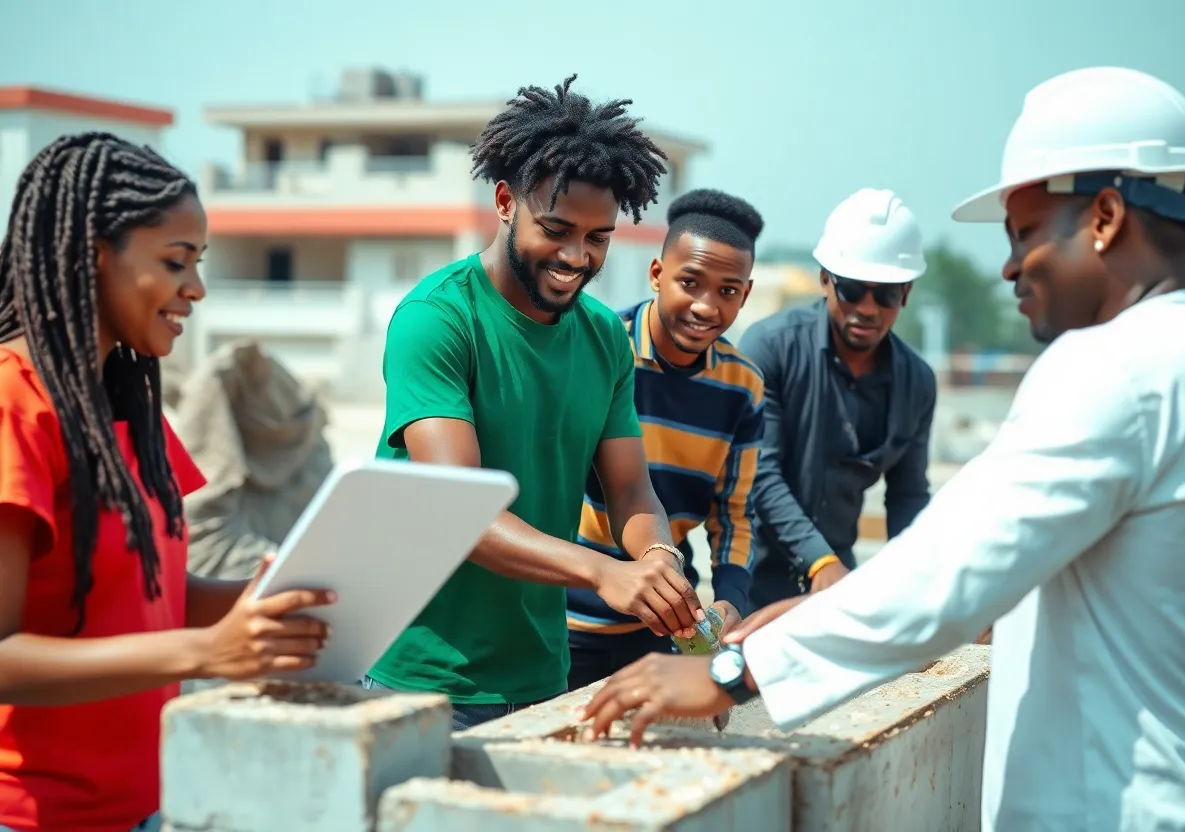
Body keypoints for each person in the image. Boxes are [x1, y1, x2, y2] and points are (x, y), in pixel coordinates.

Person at [575, 67, 1185, 832]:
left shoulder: (1118, 372)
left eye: (1025, 233)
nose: (1010, 266)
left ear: (1105, 216)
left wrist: (733, 670)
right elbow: (956, 543)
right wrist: (820, 595)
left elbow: (951, 567)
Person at [0, 133, 335, 832]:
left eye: (199, 263)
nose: (196, 289)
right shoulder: (13, 404)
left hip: (149, 804)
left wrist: (266, 602)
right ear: (93, 255)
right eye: (176, 261)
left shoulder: (126, 406)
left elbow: (150, 598)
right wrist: (208, 652)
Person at [362, 75, 705, 731]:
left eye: (598, 238)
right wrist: (603, 574)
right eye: (556, 229)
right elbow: (458, 511)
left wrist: (658, 559)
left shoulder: (604, 337)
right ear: (503, 202)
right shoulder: (437, 319)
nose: (576, 256)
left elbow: (630, 489)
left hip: (544, 677)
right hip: (421, 679)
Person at [566, 188, 766, 689]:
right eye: (690, 282)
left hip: (667, 625)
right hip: (565, 619)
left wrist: (731, 598)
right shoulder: (598, 349)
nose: (705, 306)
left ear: (745, 295)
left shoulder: (743, 386)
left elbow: (734, 514)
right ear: (657, 274)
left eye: (727, 291)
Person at [738, 188, 936, 608]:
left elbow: (908, 496)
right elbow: (760, 472)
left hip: (836, 585)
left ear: (906, 293)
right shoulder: (771, 348)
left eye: (886, 294)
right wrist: (819, 560)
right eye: (852, 290)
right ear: (825, 280)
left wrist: (919, 580)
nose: (868, 308)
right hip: (749, 585)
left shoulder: (917, 383)